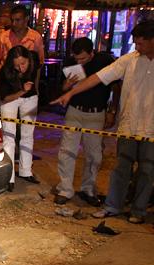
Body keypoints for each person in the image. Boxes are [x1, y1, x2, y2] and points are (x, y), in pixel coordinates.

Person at [52, 20, 154, 224]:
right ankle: (112, 206)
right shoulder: (129, 60)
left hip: (151, 128)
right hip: (128, 125)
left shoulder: (104, 58)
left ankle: (138, 210)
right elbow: (98, 78)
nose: (137, 47)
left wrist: (111, 110)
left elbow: (111, 87)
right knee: (121, 167)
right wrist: (71, 92)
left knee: (147, 170)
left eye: (141, 43)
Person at [54, 37, 118, 206]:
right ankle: (65, 189)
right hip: (75, 111)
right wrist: (67, 84)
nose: (79, 61)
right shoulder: (70, 62)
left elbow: (115, 86)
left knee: (94, 154)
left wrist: (112, 110)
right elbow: (63, 89)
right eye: (77, 58)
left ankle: (88, 189)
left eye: (83, 58)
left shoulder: (104, 61)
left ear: (92, 53)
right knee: (67, 151)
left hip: (96, 113)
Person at [0, 45, 41, 191]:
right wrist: (22, 91)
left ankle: (26, 171)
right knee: (9, 136)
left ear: (29, 59)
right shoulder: (5, 72)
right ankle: (8, 177)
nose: (21, 68)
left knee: (28, 135)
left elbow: (36, 78)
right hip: (11, 98)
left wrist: (32, 92)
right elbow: (4, 97)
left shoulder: (34, 61)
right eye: (17, 65)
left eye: (23, 64)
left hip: (30, 97)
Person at [0, 5, 45, 88]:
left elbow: (39, 65)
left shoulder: (35, 37)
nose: (14, 23)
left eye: (17, 20)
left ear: (26, 19)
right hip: (6, 82)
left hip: (28, 82)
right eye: (12, 20)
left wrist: (36, 87)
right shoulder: (3, 37)